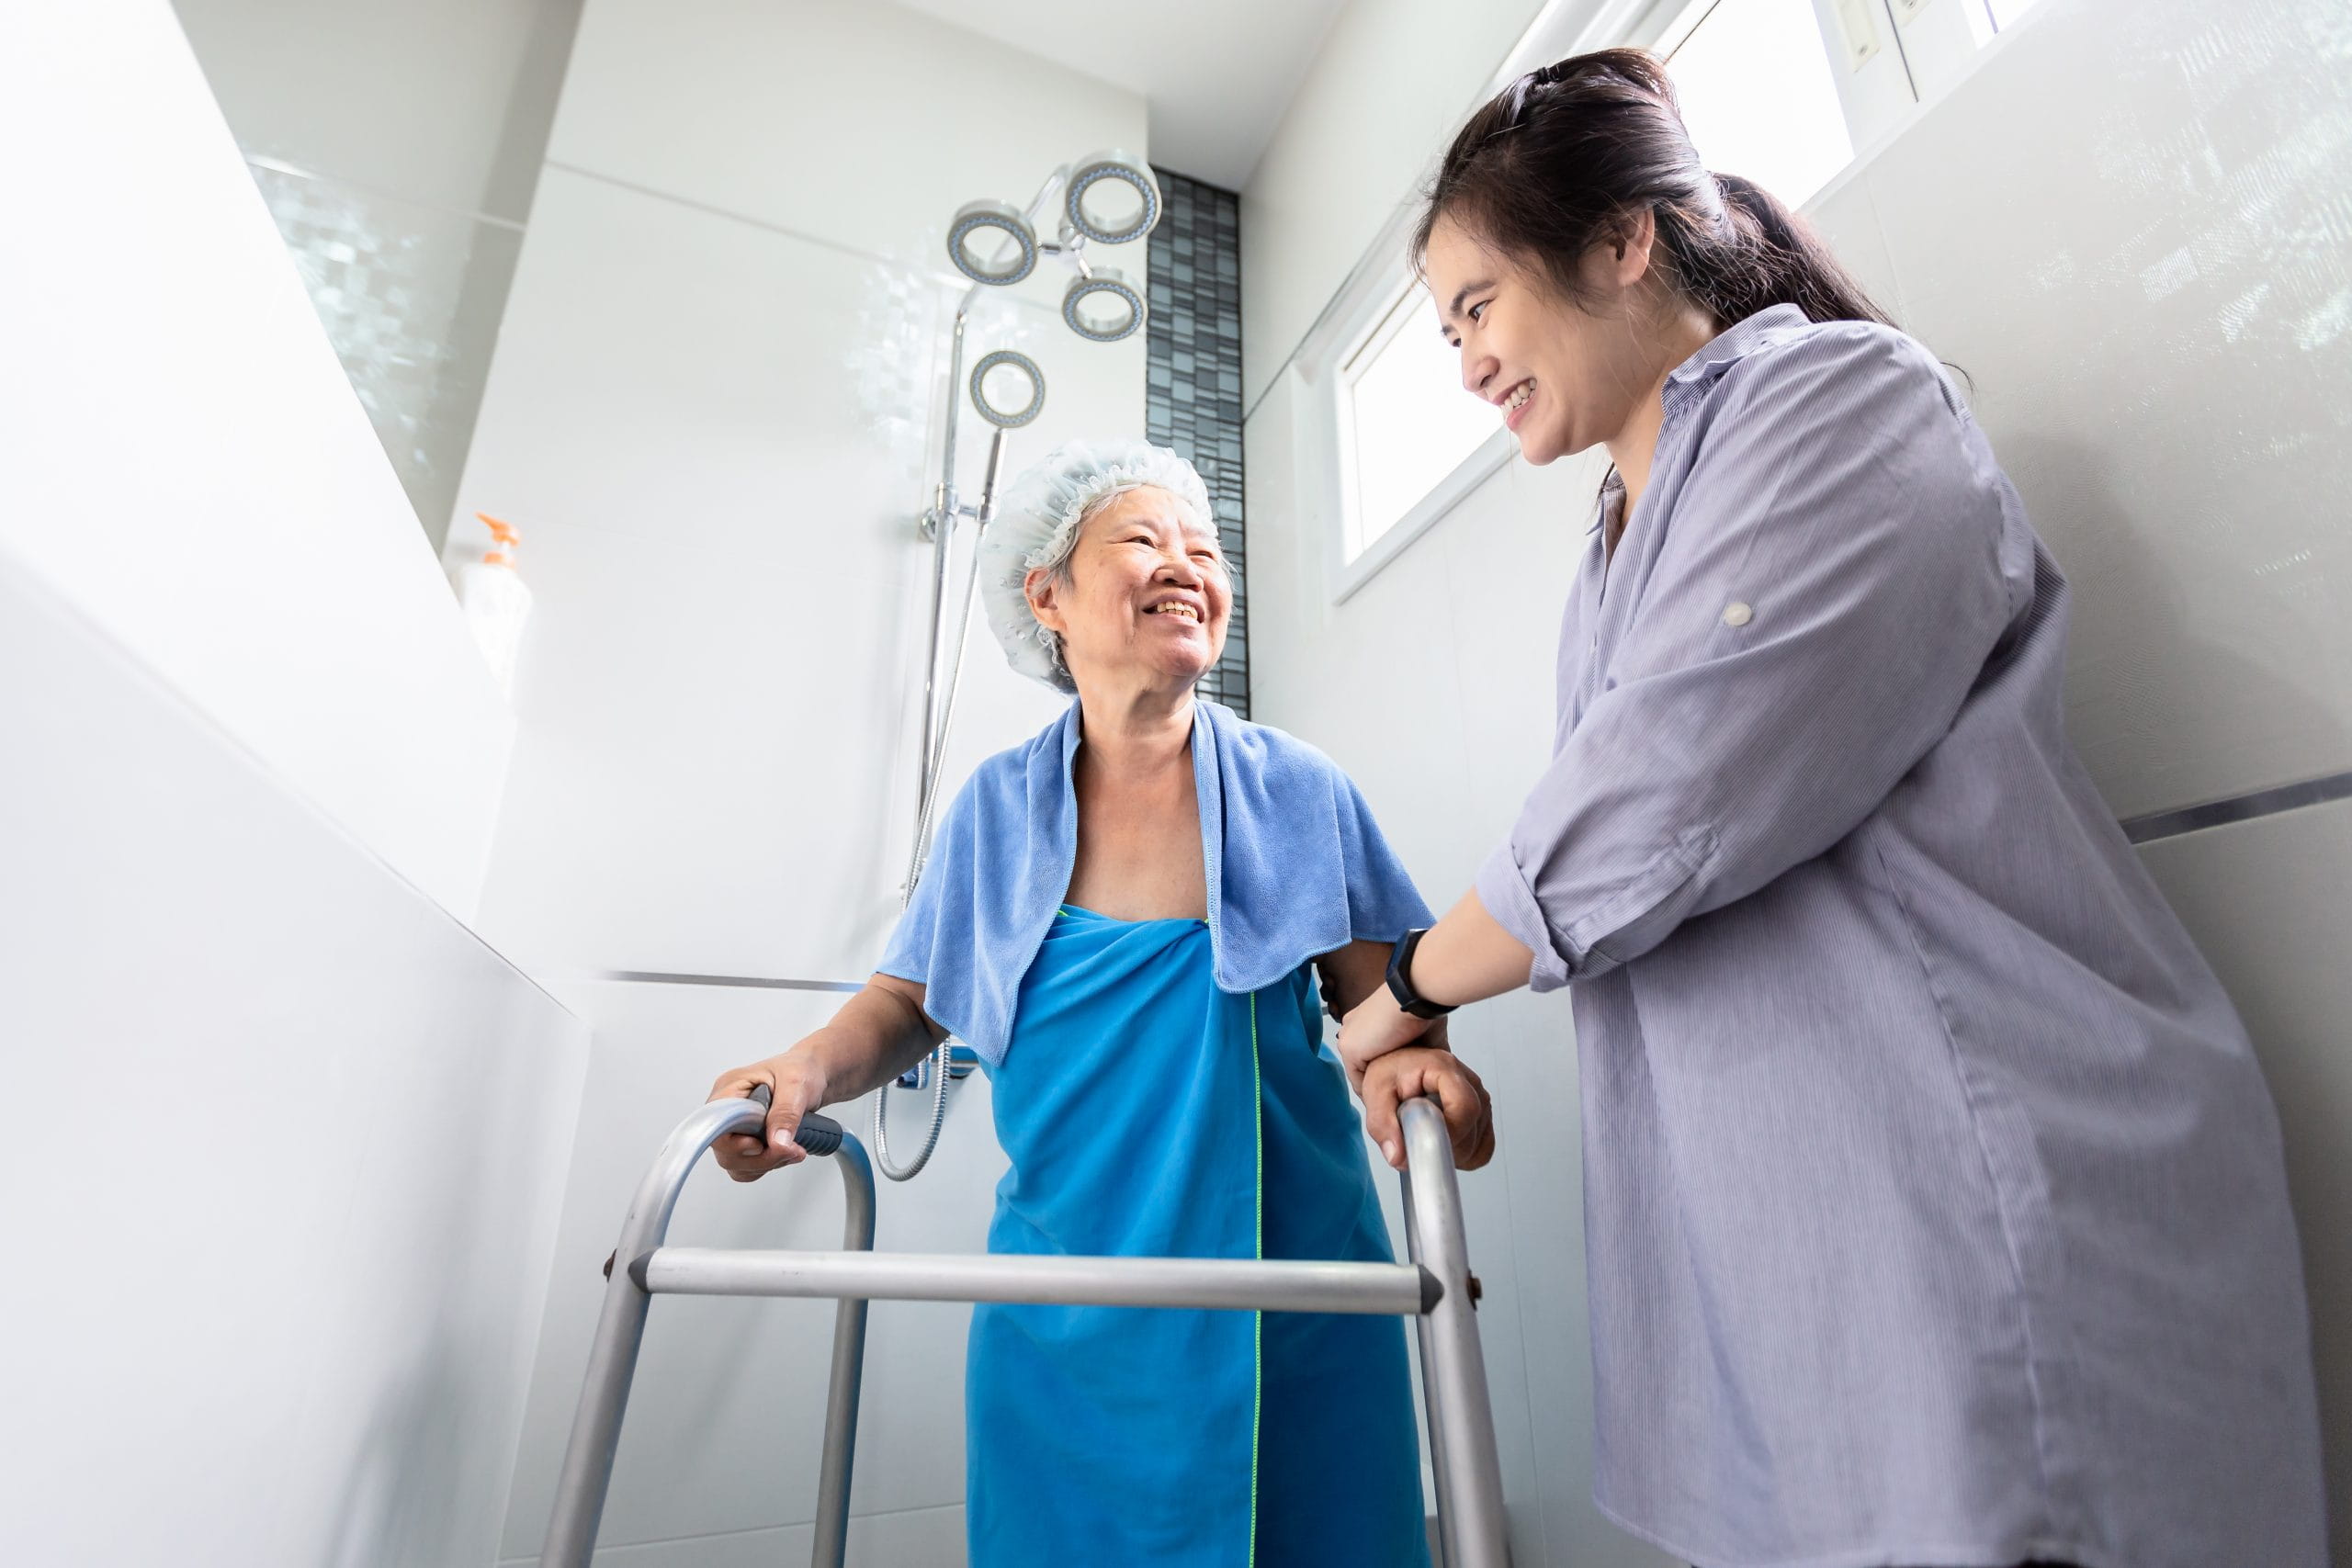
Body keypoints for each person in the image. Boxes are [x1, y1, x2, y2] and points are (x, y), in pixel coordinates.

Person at [1336, 48, 2325, 1568]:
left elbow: (1670, 790)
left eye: (1476, 305)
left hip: (1986, 1214)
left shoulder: (1841, 399)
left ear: (1619, 243)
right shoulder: (1610, 551)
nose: (1464, 359)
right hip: (1803, 1276)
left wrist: (1403, 989)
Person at [707, 439, 1490, 1568]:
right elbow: (907, 1003)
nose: (1186, 564)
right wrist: (802, 1072)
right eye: (1144, 539)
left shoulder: (1299, 791)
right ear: (1049, 598)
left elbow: (1393, 1022)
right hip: (1067, 1316)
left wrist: (1426, 1080)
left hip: (1297, 1313)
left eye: (1205, 549)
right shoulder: (995, 808)